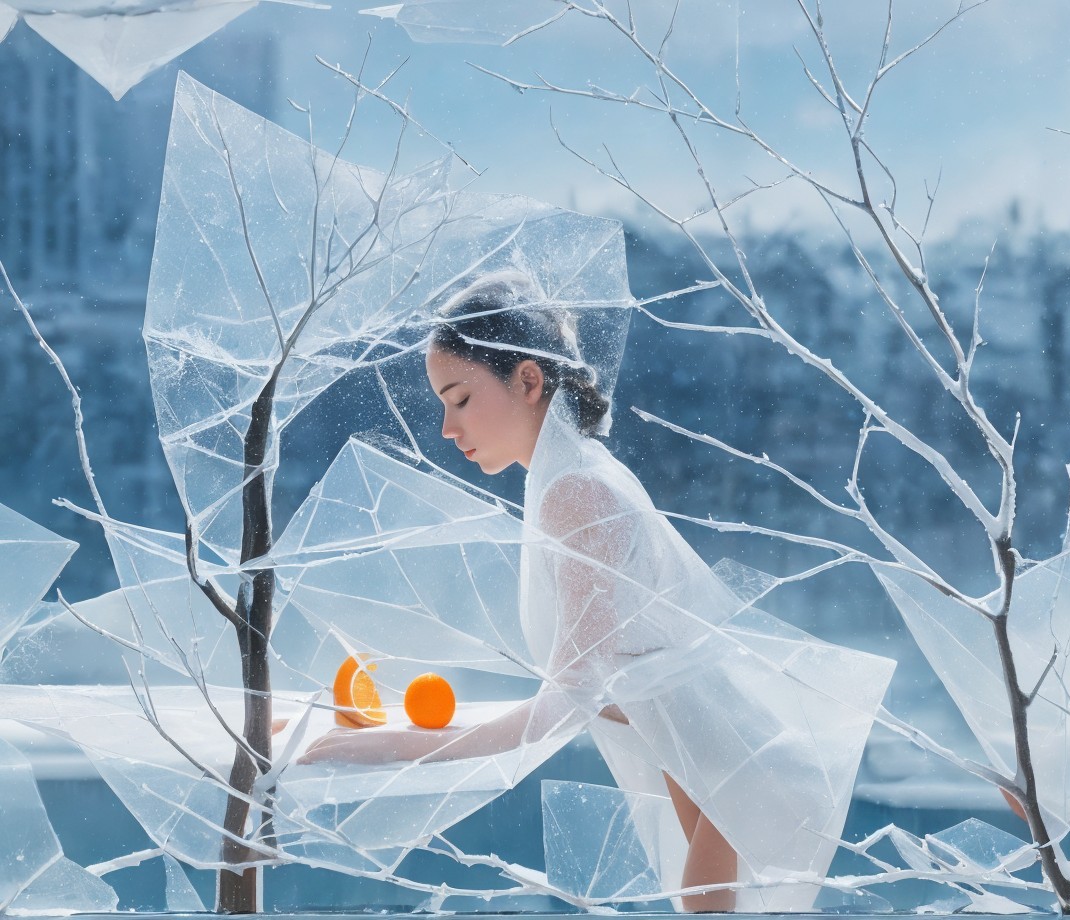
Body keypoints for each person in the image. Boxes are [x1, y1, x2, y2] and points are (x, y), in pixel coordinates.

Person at [300, 271, 894, 913]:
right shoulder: (569, 478)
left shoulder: (578, 492)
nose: (447, 428)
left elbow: (566, 703)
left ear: (528, 381)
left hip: (740, 769)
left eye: (461, 399)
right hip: (725, 758)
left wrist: (392, 748)